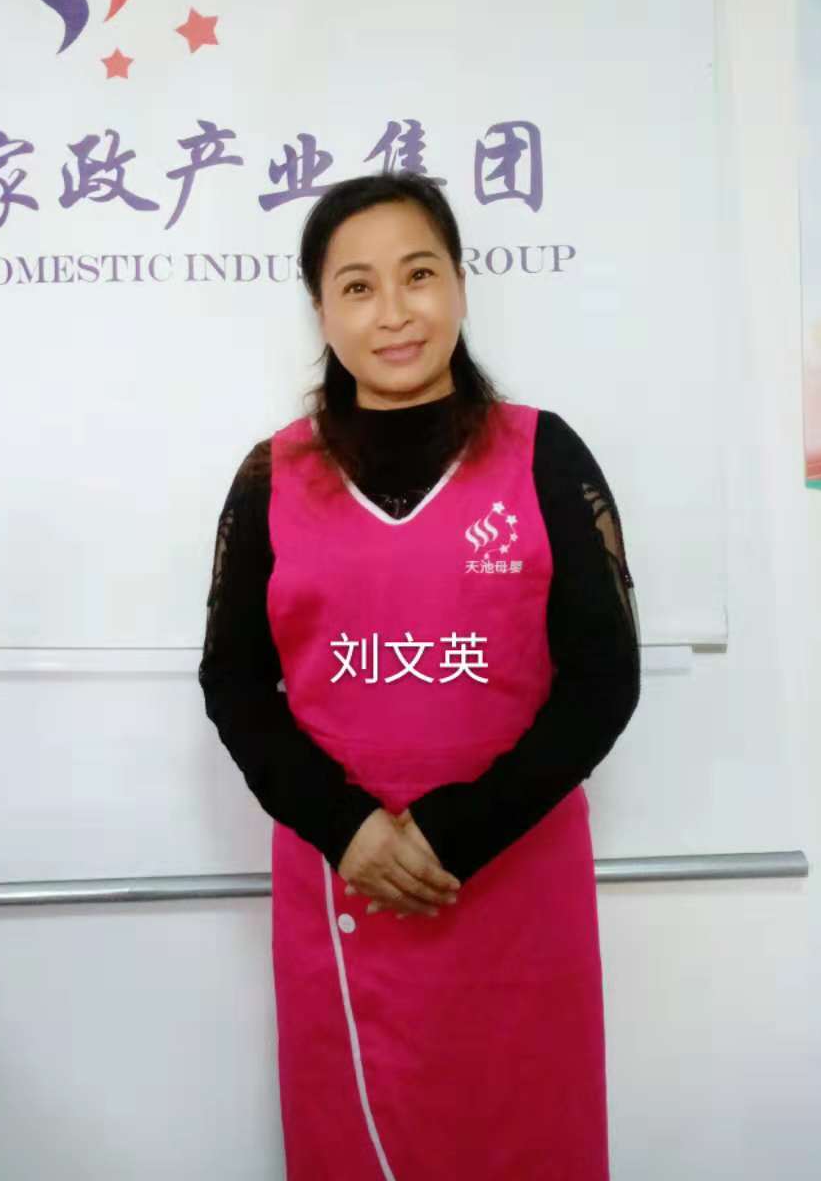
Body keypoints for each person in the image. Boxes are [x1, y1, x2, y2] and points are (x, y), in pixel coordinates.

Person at [198, 171, 640, 1180]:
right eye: (357, 287)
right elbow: (234, 686)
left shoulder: (544, 455)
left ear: (461, 286)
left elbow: (603, 682)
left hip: (515, 881)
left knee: (531, 1139)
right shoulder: (273, 477)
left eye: (419, 274)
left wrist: (453, 831)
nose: (394, 311)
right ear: (321, 311)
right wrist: (349, 830)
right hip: (344, 885)